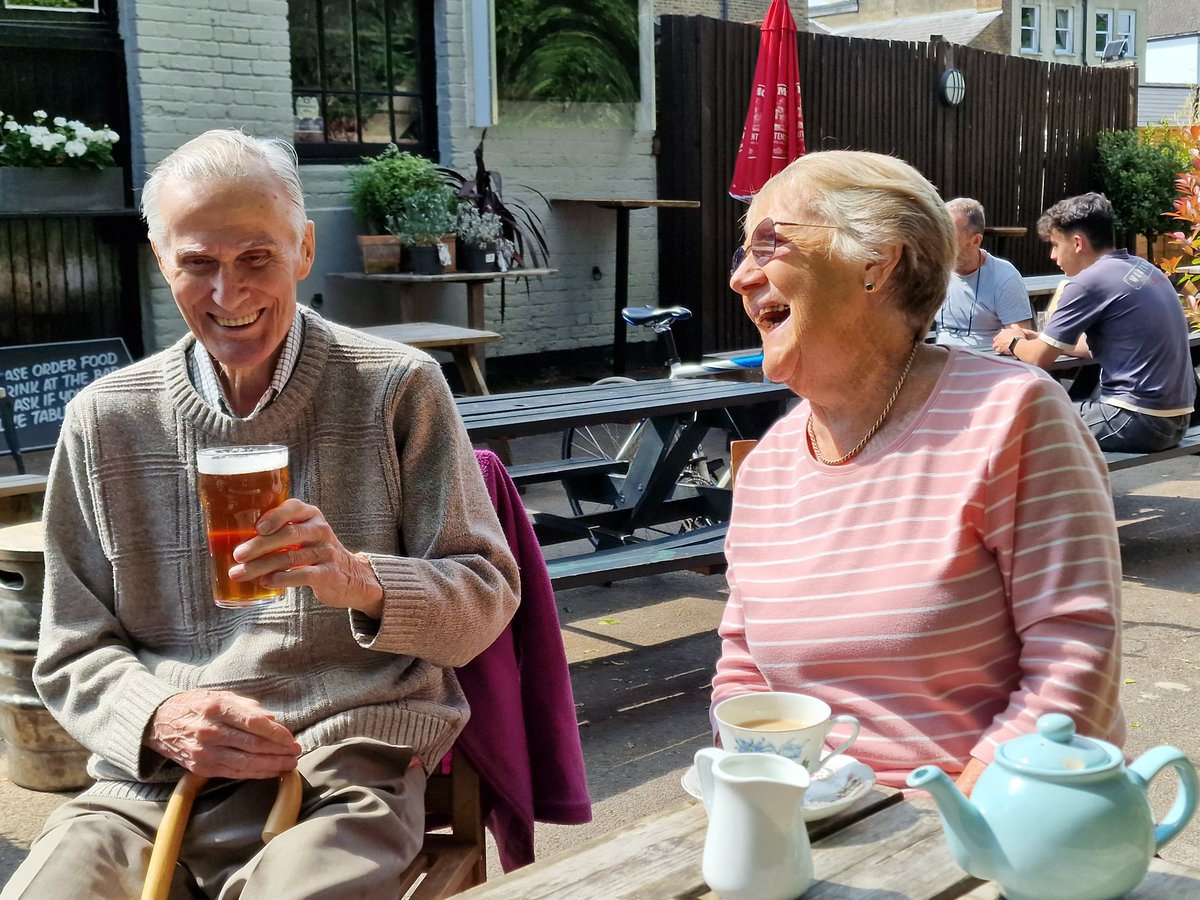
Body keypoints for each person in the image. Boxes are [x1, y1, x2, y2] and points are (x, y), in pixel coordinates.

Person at [2, 130, 520, 899]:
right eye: (199, 263)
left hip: (345, 765)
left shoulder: (396, 389)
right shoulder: (104, 418)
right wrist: (160, 713)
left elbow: (484, 601)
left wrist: (358, 580)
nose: (227, 294)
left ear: (304, 248)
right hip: (157, 781)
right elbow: (69, 652)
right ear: (159, 258)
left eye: (256, 259)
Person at [714, 151, 1124, 795]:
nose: (741, 277)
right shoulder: (768, 467)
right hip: (808, 818)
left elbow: (1075, 662)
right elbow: (741, 665)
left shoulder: (1010, 415)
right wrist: (757, 797)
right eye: (742, 252)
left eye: (769, 244)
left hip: (992, 822)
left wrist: (946, 835)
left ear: (877, 261)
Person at [992, 192, 1196, 452]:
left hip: (1135, 419)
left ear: (1077, 243)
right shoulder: (1144, 268)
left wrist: (1013, 342)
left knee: (1025, 421)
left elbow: (1038, 359)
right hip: (1176, 420)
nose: (1053, 256)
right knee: (1057, 410)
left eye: (1055, 245)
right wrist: (1044, 341)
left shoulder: (1088, 282)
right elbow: (1090, 347)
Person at [933, 197, 1033, 348]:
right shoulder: (934, 271)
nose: (941, 244)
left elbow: (1021, 339)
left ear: (975, 241)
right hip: (940, 359)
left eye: (949, 238)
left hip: (986, 362)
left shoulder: (1004, 277)